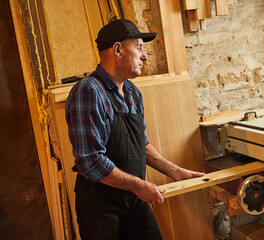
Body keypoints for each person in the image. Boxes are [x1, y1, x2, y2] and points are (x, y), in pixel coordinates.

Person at [65, 19, 204, 240]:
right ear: (118, 49)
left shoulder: (131, 92)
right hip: (102, 208)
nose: (145, 55)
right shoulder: (89, 92)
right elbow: (90, 161)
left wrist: (175, 171)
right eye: (139, 47)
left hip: (134, 198)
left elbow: (141, 143)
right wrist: (140, 186)